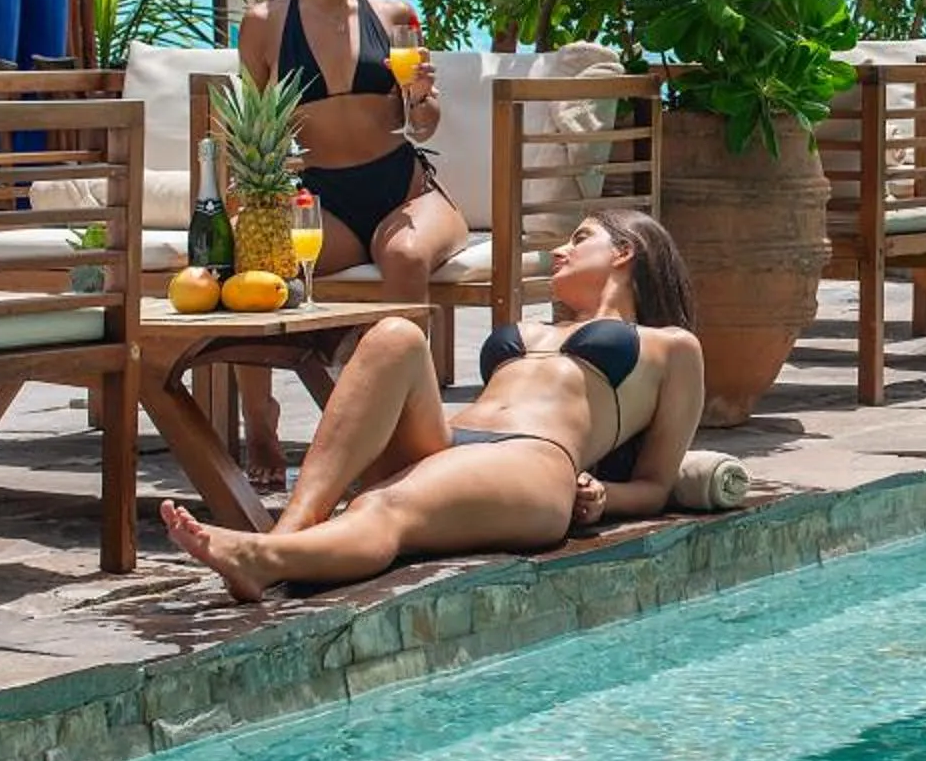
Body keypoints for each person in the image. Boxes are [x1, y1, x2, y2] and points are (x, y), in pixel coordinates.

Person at [161, 208, 706, 602]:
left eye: (579, 238)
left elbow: (658, 483)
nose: (560, 249)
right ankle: (288, 531)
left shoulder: (671, 348)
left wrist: (605, 496)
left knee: (381, 507)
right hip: (450, 443)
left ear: (623, 252)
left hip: (532, 462)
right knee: (396, 333)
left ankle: (266, 560)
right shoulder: (542, 326)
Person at [230, 0, 471, 487]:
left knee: (407, 254)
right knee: (255, 267)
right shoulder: (265, 23)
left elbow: (425, 126)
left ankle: (409, 430)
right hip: (323, 200)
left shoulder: (393, 14)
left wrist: (420, 96)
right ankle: (260, 417)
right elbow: (255, 127)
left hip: (402, 187)